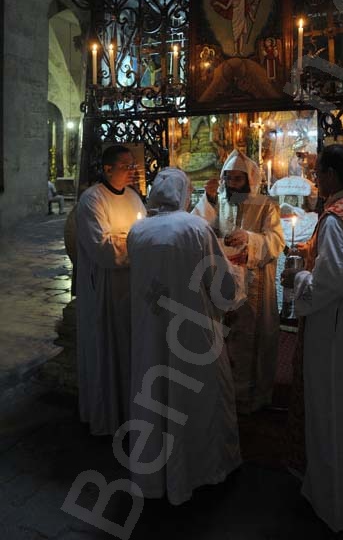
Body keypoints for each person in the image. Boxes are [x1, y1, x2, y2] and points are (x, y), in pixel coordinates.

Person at [127, 167, 245, 502]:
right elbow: (220, 284)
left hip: (150, 333)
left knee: (155, 399)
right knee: (197, 400)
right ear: (183, 193)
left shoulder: (138, 232)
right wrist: (237, 286)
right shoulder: (195, 227)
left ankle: (156, 478)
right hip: (192, 334)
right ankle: (201, 470)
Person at [283, 144, 343, 533]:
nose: (315, 179)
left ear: (330, 176)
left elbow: (334, 279)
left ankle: (335, 500)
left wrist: (299, 277)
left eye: (318, 172)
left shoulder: (336, 218)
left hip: (335, 332)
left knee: (332, 408)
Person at [192, 149, 285, 413]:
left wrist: (250, 240)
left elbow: (277, 241)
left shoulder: (266, 205)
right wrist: (208, 199)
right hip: (224, 282)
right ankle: (225, 394)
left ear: (249, 180)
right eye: (228, 178)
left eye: (237, 179)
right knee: (226, 339)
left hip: (256, 282)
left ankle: (252, 398)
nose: (231, 185)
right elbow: (199, 227)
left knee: (252, 338)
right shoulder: (218, 199)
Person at [76, 144, 146, 435]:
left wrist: (128, 239)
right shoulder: (92, 200)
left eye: (133, 166)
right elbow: (104, 250)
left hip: (131, 289)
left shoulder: (133, 198)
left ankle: (129, 413)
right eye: (126, 166)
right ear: (107, 169)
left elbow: (142, 233)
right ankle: (107, 418)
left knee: (128, 352)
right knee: (106, 352)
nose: (133, 171)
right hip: (104, 289)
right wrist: (136, 243)